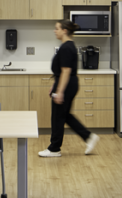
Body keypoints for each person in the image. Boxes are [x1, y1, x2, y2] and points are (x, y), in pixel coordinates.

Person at [38, 20, 100, 157]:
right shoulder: (68, 45)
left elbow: (66, 71)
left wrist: (60, 91)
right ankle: (88, 136)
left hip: (66, 85)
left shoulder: (66, 47)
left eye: (57, 28)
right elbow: (62, 72)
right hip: (68, 84)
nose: (55, 31)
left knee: (57, 117)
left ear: (64, 31)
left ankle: (54, 149)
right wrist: (54, 86)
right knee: (64, 115)